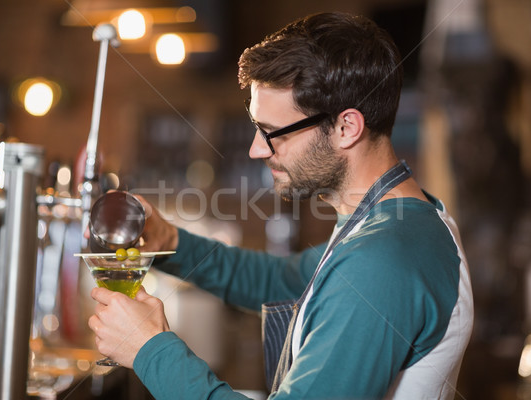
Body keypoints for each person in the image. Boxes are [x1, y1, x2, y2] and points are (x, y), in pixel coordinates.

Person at [88, 12, 474, 399]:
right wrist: (169, 239)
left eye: (273, 133)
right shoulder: (400, 222)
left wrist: (150, 350)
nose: (257, 149)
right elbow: (281, 282)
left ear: (346, 128)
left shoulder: (382, 260)